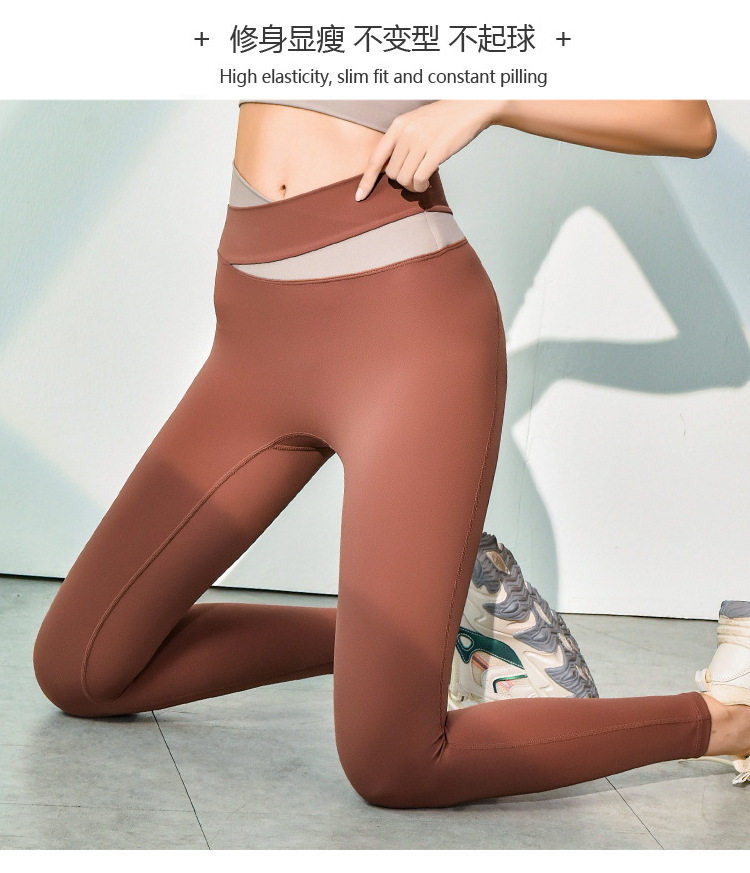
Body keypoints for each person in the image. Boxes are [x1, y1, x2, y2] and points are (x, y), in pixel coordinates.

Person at [32, 99, 750, 809]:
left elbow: (685, 121)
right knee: (82, 668)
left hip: (406, 334)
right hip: (251, 336)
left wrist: (488, 100)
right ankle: (435, 637)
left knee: (394, 763)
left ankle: (726, 720)